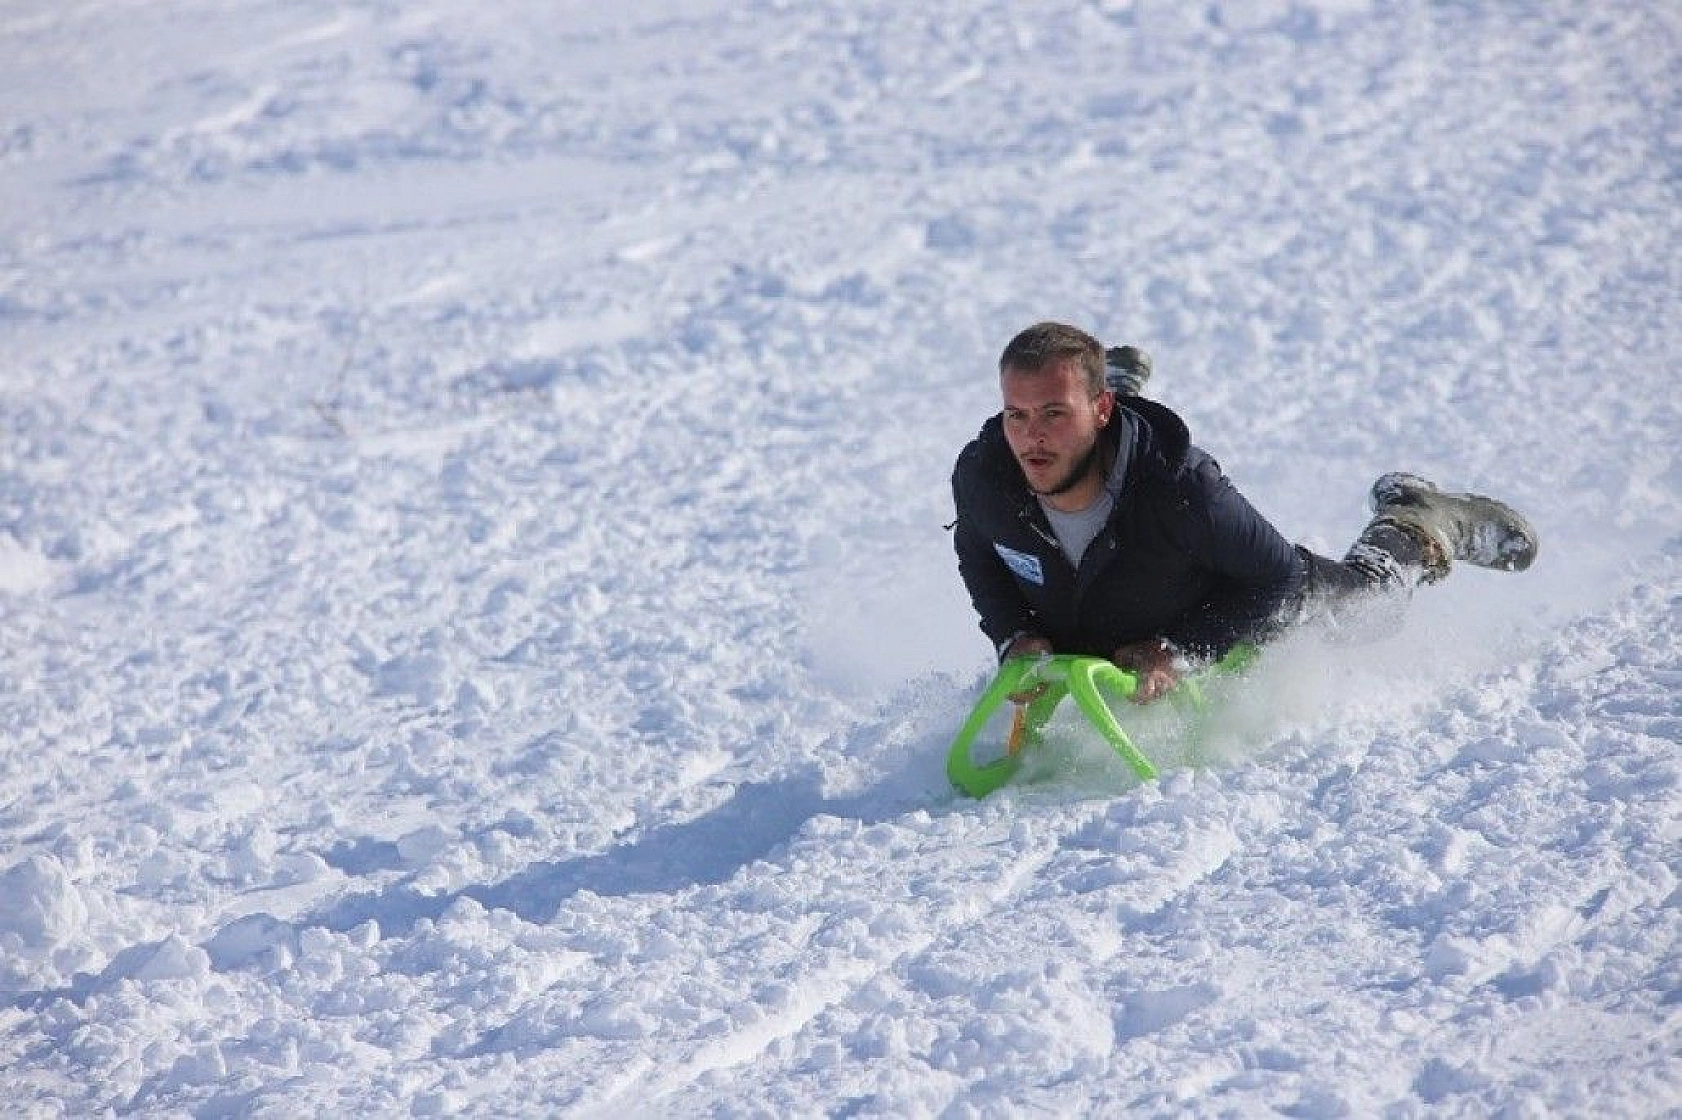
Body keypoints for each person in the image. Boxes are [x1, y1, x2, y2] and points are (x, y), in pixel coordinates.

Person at [950, 322, 1539, 703]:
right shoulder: (985, 479)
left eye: (1053, 413)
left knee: (1371, 610)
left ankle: (1415, 521)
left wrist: (1178, 649)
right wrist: (1015, 636)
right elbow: (978, 552)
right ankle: (1116, 382)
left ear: (1097, 411)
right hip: (1112, 600)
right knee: (1063, 452)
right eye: (1017, 415)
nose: (1030, 439)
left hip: (1222, 595)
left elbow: (1277, 577)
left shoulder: (1183, 489)